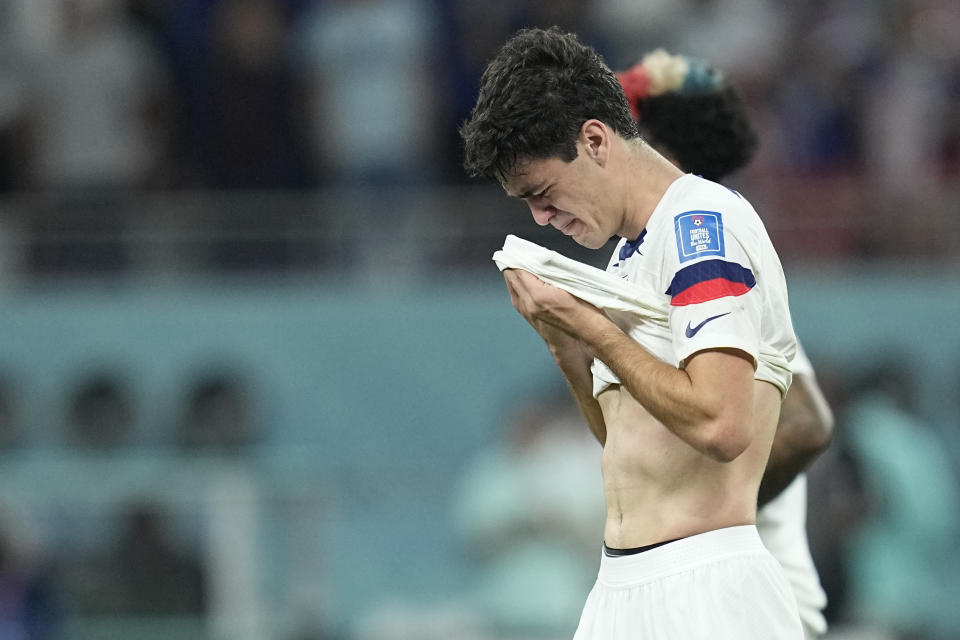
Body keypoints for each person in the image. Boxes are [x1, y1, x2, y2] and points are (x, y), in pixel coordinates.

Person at [461, 27, 803, 638]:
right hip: (623, 584)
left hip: (704, 589)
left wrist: (592, 326)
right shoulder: (627, 257)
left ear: (594, 139)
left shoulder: (701, 225)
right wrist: (567, 348)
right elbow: (626, 441)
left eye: (541, 192)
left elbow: (723, 426)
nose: (540, 217)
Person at [615, 50, 833, 638]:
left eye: (624, 129)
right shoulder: (658, 253)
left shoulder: (709, 252)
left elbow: (808, 423)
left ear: (657, 144)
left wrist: (691, 519)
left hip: (750, 606)